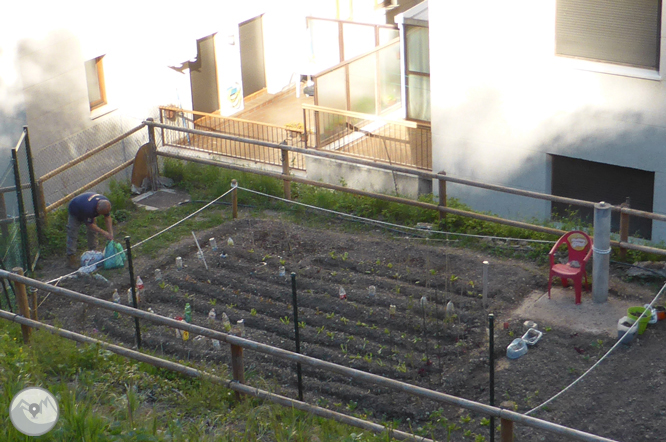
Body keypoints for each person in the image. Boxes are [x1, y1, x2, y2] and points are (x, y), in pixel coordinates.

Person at [66, 192, 113, 268]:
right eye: (100, 213)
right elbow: (90, 225)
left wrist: (110, 233)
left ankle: (93, 251)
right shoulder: (89, 209)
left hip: (86, 206)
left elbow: (107, 218)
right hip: (75, 209)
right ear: (97, 208)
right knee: (72, 233)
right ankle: (71, 257)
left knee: (93, 233)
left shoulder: (105, 203)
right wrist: (104, 233)